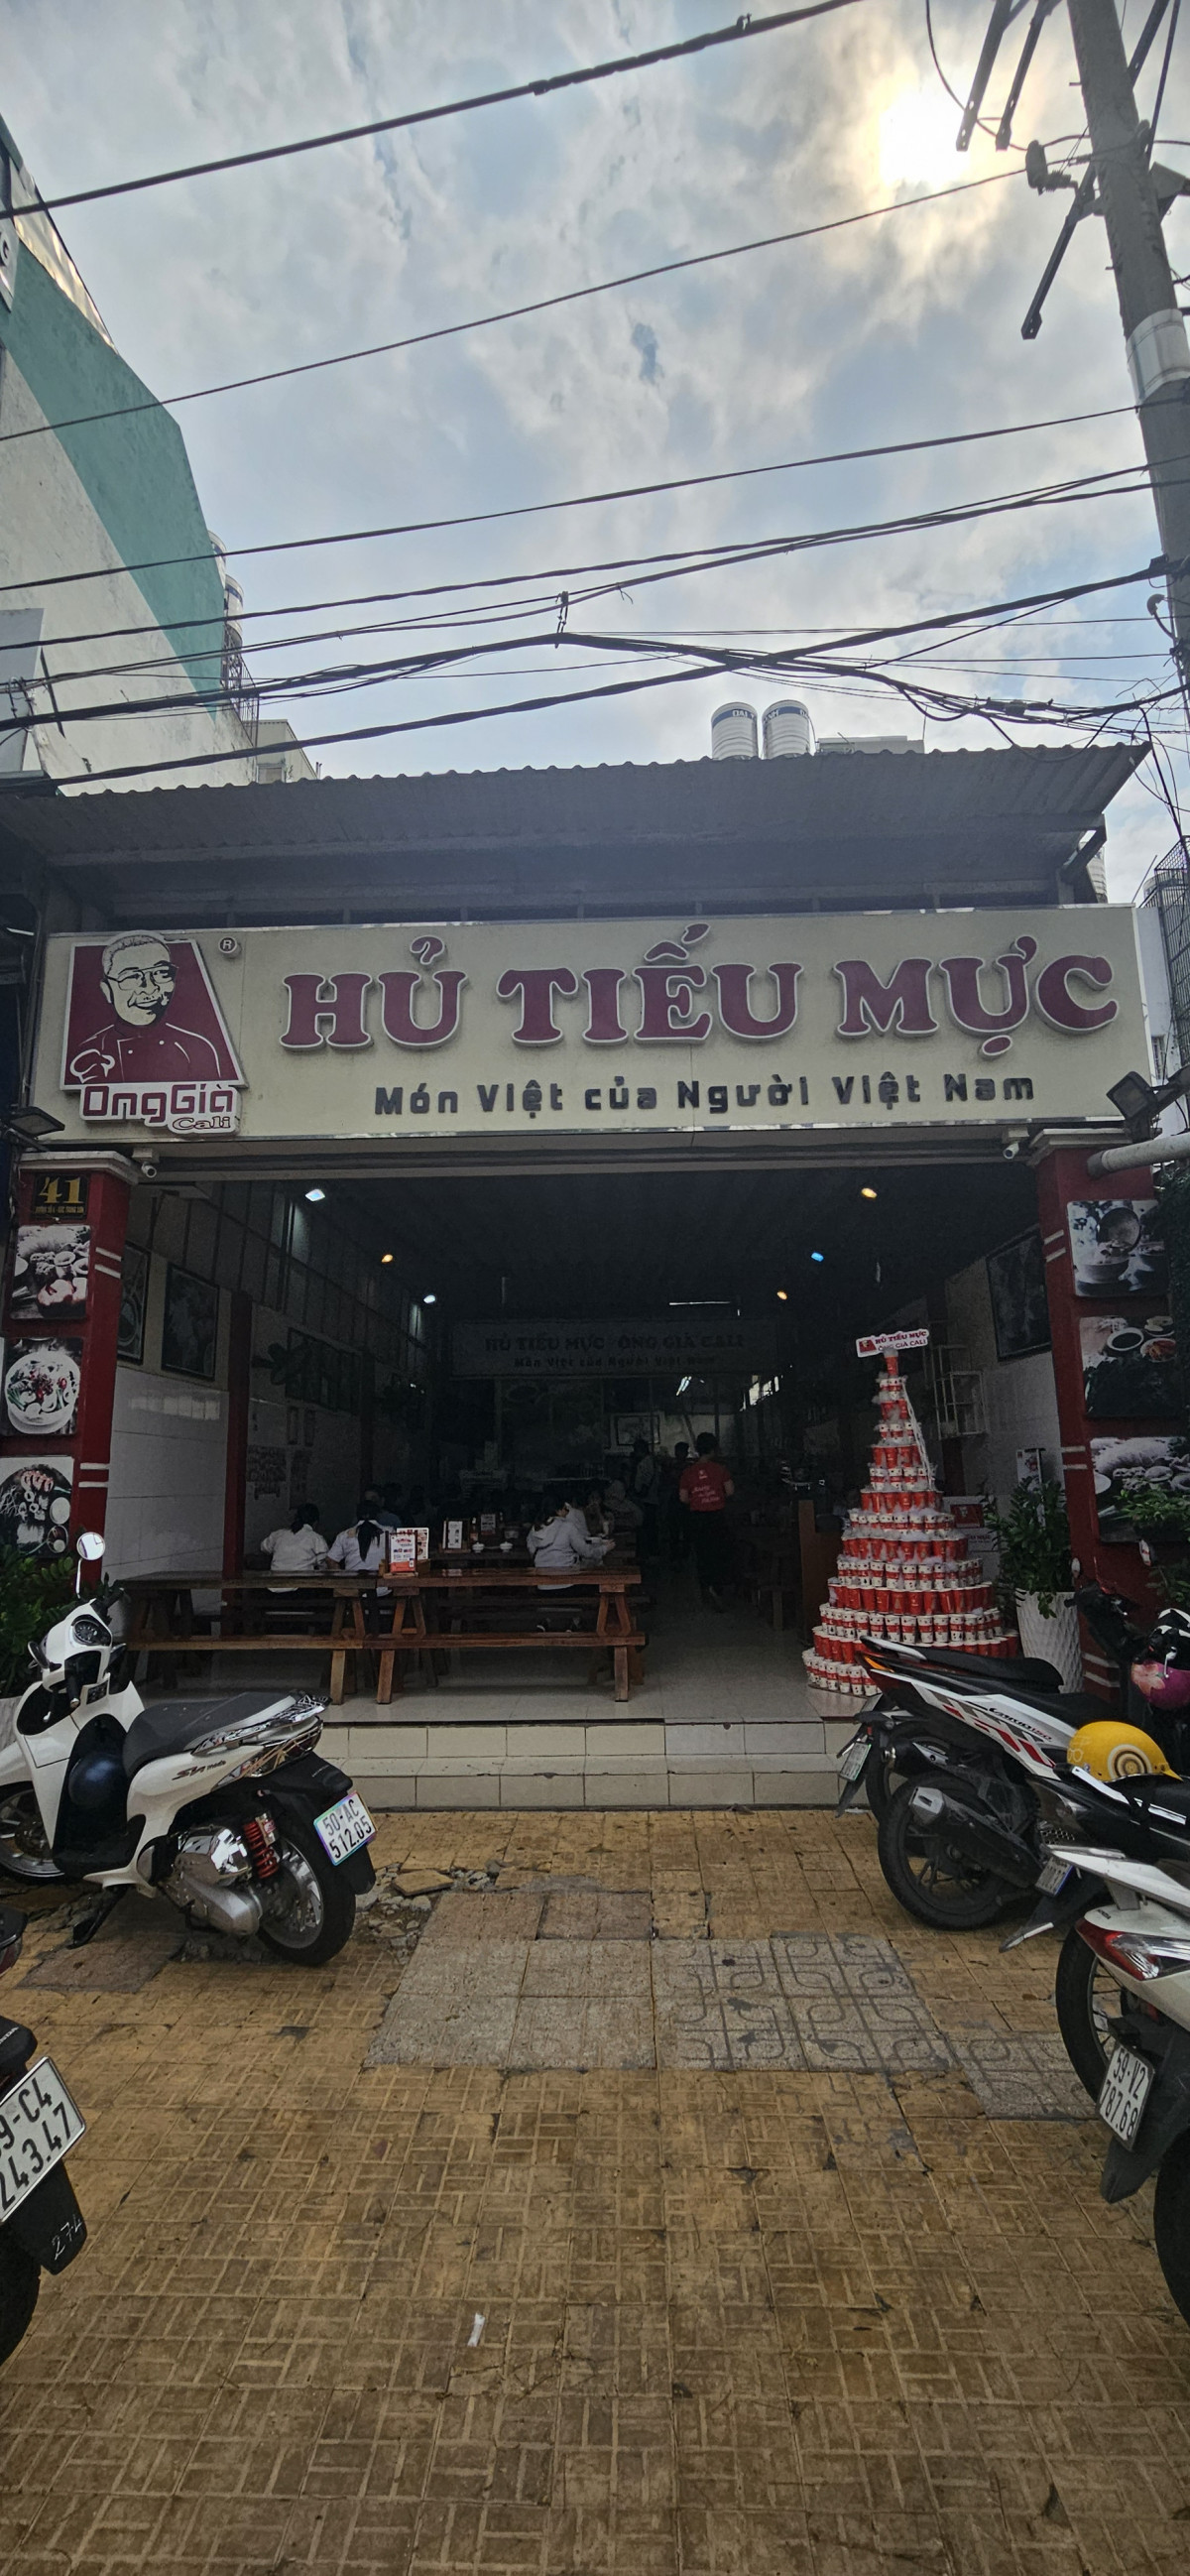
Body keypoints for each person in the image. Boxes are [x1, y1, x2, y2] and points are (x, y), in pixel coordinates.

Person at [679, 1433, 735, 1610]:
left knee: (702, 1553)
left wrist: (697, 1499)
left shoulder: (688, 1472)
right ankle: (717, 1588)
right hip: (717, 1516)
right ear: (713, 1449)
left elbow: (683, 1498)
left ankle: (705, 1586)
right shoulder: (721, 1469)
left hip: (697, 1517)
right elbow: (730, 1491)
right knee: (718, 1552)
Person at [327, 1510, 389, 1630]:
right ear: (378, 1516)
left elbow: (331, 1560)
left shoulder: (344, 1535)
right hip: (383, 1590)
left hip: (352, 1588)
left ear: (356, 1516)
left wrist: (341, 1581)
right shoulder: (390, 1533)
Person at [260, 1504, 327, 1591]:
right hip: (302, 1589)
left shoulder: (278, 1535)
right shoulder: (316, 1538)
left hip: (274, 1588)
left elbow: (264, 1547)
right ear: (315, 1523)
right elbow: (323, 1564)